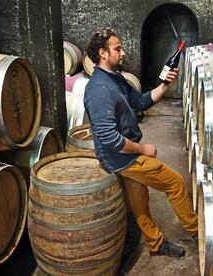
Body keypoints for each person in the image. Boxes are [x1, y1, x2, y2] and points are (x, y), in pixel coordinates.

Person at [84, 28, 198, 258]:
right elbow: (109, 138)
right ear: (103, 54)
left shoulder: (115, 79)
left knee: (140, 202)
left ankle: (156, 244)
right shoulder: (99, 90)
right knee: (174, 183)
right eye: (118, 49)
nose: (123, 52)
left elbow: (141, 101)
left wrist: (165, 86)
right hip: (122, 158)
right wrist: (143, 149)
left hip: (124, 155)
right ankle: (198, 231)